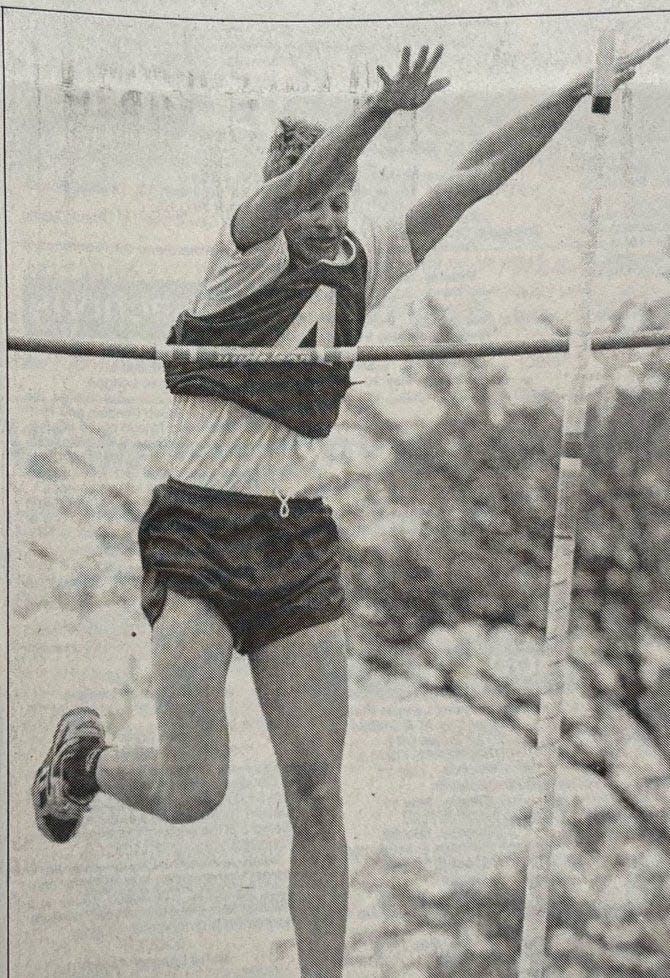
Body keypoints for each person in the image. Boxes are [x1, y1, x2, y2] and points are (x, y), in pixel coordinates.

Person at [33, 39, 666, 978]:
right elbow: (292, 192)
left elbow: (474, 175)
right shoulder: (240, 254)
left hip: (295, 540)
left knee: (317, 796)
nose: (331, 219)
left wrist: (575, 91)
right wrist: (372, 115)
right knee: (197, 787)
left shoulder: (364, 264)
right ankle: (82, 763)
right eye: (319, 201)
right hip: (199, 533)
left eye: (344, 201)